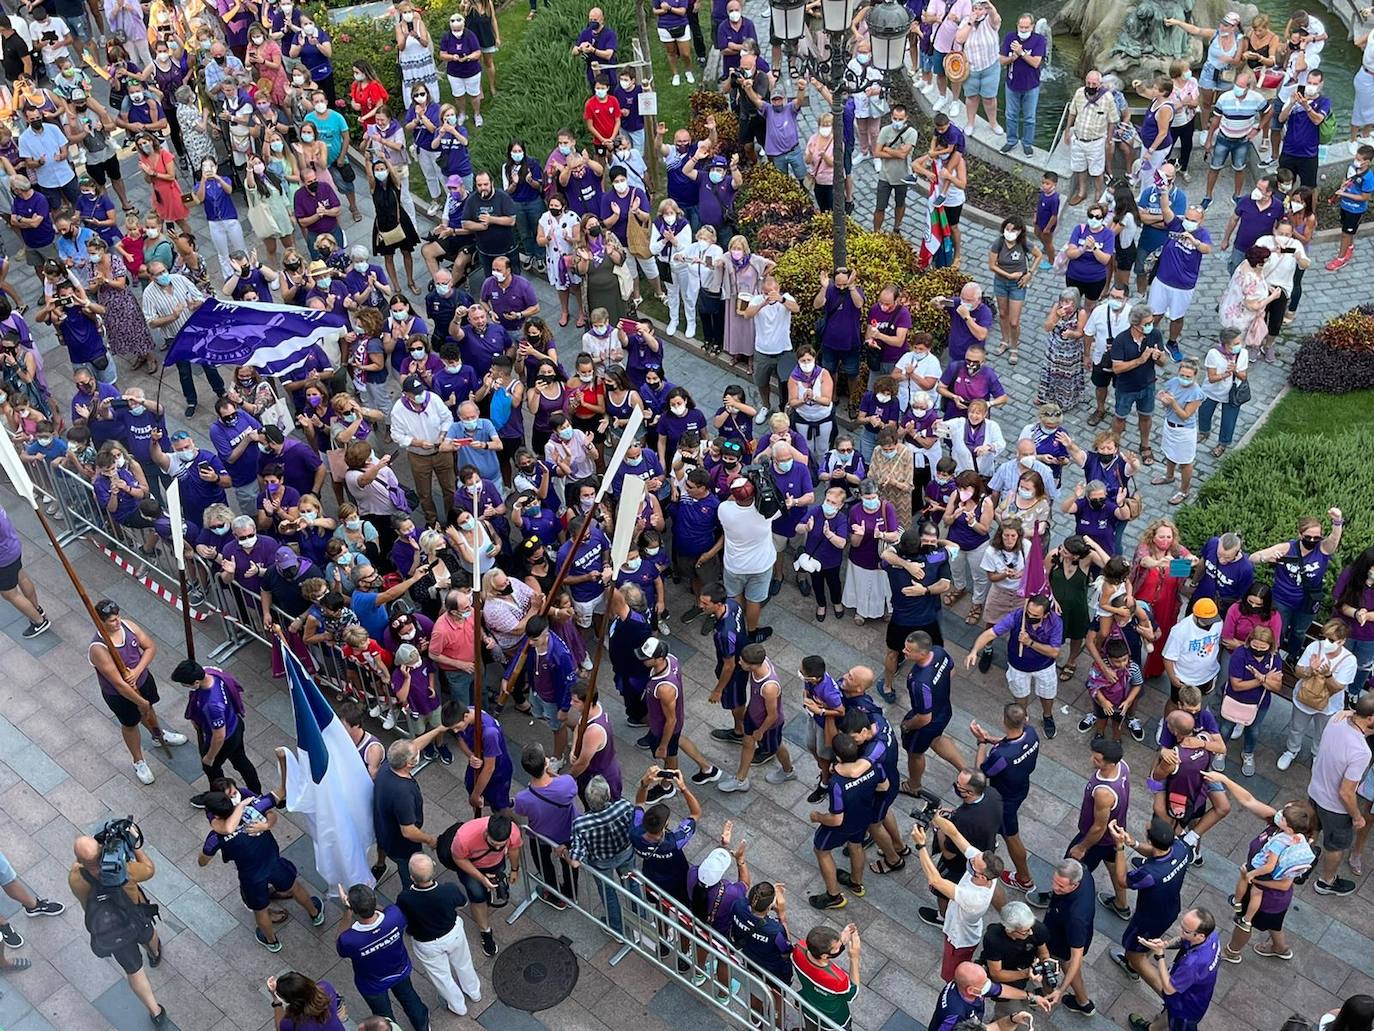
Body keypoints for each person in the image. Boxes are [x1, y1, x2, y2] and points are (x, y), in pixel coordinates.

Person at [197, 786, 326, 952]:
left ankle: (272, 941)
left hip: (251, 877)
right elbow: (279, 794)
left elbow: (203, 861)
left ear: (215, 816)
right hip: (274, 864)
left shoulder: (215, 838)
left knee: (260, 910)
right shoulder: (255, 808)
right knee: (294, 887)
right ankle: (315, 914)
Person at [69, 832, 168, 1026]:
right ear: (101, 849)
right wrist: (136, 847)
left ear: (79, 859)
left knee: (134, 970)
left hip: (110, 929)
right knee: (150, 936)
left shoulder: (75, 877)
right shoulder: (123, 868)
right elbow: (149, 870)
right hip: (135, 916)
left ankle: (155, 1012)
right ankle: (154, 954)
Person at [89, 599, 188, 784]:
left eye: (118, 617)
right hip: (119, 695)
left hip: (143, 681)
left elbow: (150, 647)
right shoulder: (99, 648)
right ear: (100, 621)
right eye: (112, 620)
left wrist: (136, 671)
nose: (117, 622)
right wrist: (140, 701)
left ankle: (158, 735)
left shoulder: (128, 626)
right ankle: (138, 761)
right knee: (130, 724)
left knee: (149, 710)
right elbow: (119, 684)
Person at [913, 812, 1004, 981]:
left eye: (974, 864)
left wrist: (921, 846)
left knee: (952, 975)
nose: (971, 860)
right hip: (965, 928)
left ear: (982, 877)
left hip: (959, 939)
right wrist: (935, 817)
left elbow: (935, 880)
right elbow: (955, 834)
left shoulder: (974, 898)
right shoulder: (984, 864)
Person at [966, 594, 1064, 738]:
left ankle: (1047, 716)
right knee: (1020, 694)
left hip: (1044, 666)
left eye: (1035, 615)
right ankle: (1022, 717)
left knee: (1047, 694)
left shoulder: (1055, 622)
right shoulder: (1018, 616)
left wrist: (1030, 643)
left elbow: (1054, 652)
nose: (1030, 616)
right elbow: (991, 633)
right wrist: (974, 650)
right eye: (1028, 612)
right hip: (1018, 665)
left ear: (1046, 615)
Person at [396, 853, 481, 1017]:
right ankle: (474, 992)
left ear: (412, 877)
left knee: (441, 977)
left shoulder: (405, 898)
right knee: (464, 963)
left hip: (427, 943)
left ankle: (458, 1006)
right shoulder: (449, 889)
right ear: (434, 869)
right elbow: (462, 903)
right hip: (453, 934)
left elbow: (403, 917)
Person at [335, 883, 428, 1031]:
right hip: (400, 970)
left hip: (372, 984)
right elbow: (386, 912)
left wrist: (347, 910)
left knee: (383, 1016)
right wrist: (369, 901)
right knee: (410, 999)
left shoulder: (350, 939)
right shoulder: (395, 914)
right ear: (375, 899)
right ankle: (423, 1026)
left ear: (354, 910)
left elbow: (339, 941)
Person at [1306, 696, 1374, 896]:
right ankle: (1326, 882)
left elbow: (1354, 717)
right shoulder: (1361, 751)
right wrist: (1357, 817)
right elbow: (1346, 792)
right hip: (1335, 808)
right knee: (1335, 847)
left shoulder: (1337, 718)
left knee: (1312, 829)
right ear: (1370, 718)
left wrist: (1351, 712)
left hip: (1315, 791)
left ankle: (1303, 860)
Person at [172, 660, 262, 807]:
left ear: (196, 682)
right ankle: (256, 793)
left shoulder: (212, 705)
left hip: (225, 739)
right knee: (241, 760)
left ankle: (218, 799)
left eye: (185, 684)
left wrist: (210, 757)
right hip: (235, 724)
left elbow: (219, 736)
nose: (184, 686)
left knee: (211, 769)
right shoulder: (210, 672)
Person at [972, 703, 1040, 892]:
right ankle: (993, 833)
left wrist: (981, 743)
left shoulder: (1001, 756)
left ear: (1004, 721)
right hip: (1021, 787)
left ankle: (1024, 879)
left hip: (1004, 801)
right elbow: (1009, 742)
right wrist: (989, 738)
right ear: (1025, 719)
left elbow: (980, 774)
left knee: (1012, 837)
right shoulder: (1031, 734)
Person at [1280, 620, 1358, 771]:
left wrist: (1328, 675)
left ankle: (1317, 754)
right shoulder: (1315, 646)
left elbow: (1337, 688)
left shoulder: (1349, 661)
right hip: (1304, 697)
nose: (1326, 642)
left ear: (1342, 641)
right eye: (1325, 637)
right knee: (1296, 727)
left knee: (1323, 734)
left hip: (1329, 705)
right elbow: (1298, 671)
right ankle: (1291, 750)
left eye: (1332, 640)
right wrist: (1310, 670)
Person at [1126, 909, 1222, 1031]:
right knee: (1169, 1012)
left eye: (1186, 931)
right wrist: (1165, 945)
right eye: (1182, 926)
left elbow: (1168, 988)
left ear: (1200, 936)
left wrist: (1160, 955)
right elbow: (1183, 940)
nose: (1180, 932)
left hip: (1186, 1006)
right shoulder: (1212, 936)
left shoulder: (1193, 964)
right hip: (1196, 993)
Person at [1031, 858, 1097, 1014]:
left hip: (1063, 940)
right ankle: (1084, 1003)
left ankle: (1047, 995)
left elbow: (1076, 957)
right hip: (1067, 929)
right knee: (1068, 966)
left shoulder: (1076, 917)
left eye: (1061, 886)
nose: (1054, 888)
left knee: (1049, 964)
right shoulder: (1082, 872)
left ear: (1074, 885)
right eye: (1054, 881)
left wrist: (1060, 990)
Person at [373, 739, 437, 891]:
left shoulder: (388, 766)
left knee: (382, 846)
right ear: (409, 764)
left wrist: (439, 730)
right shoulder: (403, 793)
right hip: (401, 845)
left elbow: (413, 746)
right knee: (407, 869)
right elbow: (408, 831)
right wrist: (430, 840)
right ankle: (412, 892)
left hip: (382, 827)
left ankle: (380, 865)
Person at [792, 923, 861, 1031]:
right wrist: (854, 957)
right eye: (837, 948)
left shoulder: (798, 950)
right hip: (833, 1021)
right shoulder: (837, 978)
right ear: (824, 956)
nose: (840, 947)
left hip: (809, 1009)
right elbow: (853, 994)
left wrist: (842, 939)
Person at [0, 504, 49, 638]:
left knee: (10, 594)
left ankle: (39, 621)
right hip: (12, 547)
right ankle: (36, 608)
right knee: (21, 577)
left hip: (3, 559)